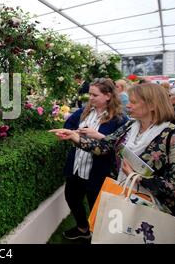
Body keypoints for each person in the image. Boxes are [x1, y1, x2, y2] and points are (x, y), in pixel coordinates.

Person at [50, 83, 175, 244]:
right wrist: (74, 137)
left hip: (157, 214)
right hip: (127, 199)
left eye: (133, 102)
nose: (128, 105)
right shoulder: (131, 126)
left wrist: (137, 177)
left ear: (152, 105)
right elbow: (105, 146)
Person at [59, 78, 128, 240]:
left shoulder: (119, 119)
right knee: (71, 197)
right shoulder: (84, 111)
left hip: (98, 171)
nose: (90, 98)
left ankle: (98, 235)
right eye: (89, 94)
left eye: (94, 95)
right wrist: (72, 133)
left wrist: (99, 136)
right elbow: (68, 126)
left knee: (97, 206)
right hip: (77, 166)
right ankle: (83, 228)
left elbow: (118, 147)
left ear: (108, 96)